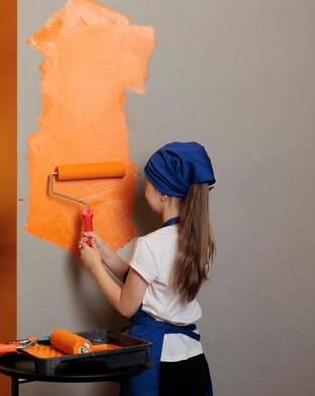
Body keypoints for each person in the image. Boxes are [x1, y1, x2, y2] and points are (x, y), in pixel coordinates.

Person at [78, 141, 215, 396]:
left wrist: (94, 266)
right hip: (191, 361)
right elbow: (151, 286)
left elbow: (127, 304)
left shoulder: (150, 244)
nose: (144, 188)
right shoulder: (200, 240)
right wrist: (106, 255)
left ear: (164, 193)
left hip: (158, 362)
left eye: (149, 181)